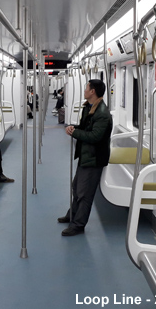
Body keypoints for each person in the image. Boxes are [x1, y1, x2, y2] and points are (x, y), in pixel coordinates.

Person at [58, 79, 113, 236]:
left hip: (94, 157)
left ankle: (78, 225)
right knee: (77, 187)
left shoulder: (102, 113)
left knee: (85, 193)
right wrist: (73, 128)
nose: (84, 90)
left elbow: (95, 136)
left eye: (86, 88)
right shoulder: (88, 108)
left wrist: (75, 133)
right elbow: (85, 127)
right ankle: (72, 215)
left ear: (93, 91)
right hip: (86, 155)